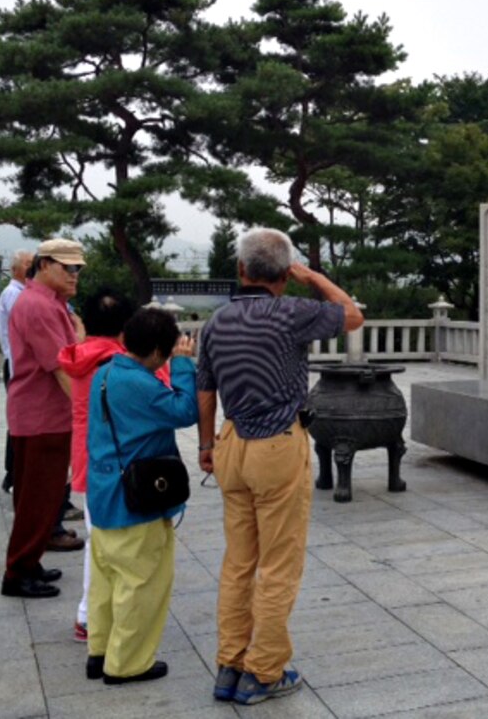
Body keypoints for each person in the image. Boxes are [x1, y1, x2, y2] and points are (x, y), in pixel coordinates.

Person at [196, 228, 363, 705]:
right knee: (278, 564)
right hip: (277, 445)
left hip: (231, 444)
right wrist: (313, 275)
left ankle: (229, 664)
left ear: (241, 271)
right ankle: (264, 671)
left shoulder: (217, 321)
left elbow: (205, 390)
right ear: (284, 276)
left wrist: (207, 445)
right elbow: (352, 316)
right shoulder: (294, 312)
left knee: (238, 563)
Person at [85, 307, 198, 685]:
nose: (166, 359)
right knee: (141, 585)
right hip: (134, 502)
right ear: (154, 351)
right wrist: (183, 367)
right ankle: (128, 664)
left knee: (106, 583)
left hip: (103, 495)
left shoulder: (105, 373)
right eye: (166, 354)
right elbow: (185, 410)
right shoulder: (140, 383)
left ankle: (100, 652)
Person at [1, 238, 85, 598]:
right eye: (68, 268)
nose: (75, 275)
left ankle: (29, 561)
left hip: (41, 414)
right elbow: (61, 369)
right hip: (43, 416)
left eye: (78, 269)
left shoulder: (51, 304)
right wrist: (89, 412)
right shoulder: (38, 306)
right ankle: (18, 572)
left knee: (41, 497)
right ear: (45, 264)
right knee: (39, 498)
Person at [58, 289, 137, 644]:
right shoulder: (118, 363)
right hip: (114, 462)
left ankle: (92, 615)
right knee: (111, 544)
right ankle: (90, 616)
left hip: (88, 461)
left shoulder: (79, 356)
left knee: (99, 539)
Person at [0, 250, 33, 492]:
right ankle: (13, 474)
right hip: (17, 365)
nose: (34, 268)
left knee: (24, 421)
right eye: (29, 264)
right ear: (16, 270)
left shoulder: (24, 294)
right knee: (21, 421)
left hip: (19, 364)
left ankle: (15, 474)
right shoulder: (14, 295)